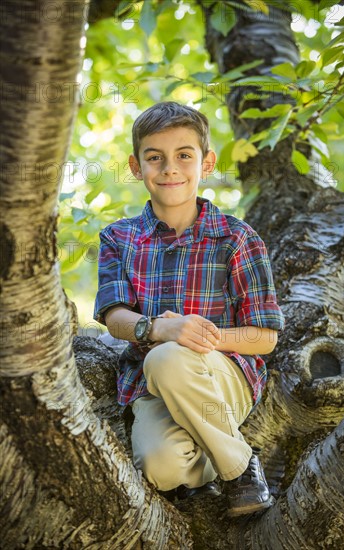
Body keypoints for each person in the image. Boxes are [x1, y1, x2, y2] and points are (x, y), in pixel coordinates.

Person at [94, 101, 285, 516]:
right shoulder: (118, 238)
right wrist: (160, 329)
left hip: (221, 377)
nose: (169, 168)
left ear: (208, 162)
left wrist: (191, 337)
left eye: (184, 155)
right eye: (154, 157)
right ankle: (229, 458)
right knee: (162, 469)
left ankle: (240, 473)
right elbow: (114, 318)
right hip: (150, 383)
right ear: (135, 165)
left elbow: (265, 337)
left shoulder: (237, 237)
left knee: (169, 359)